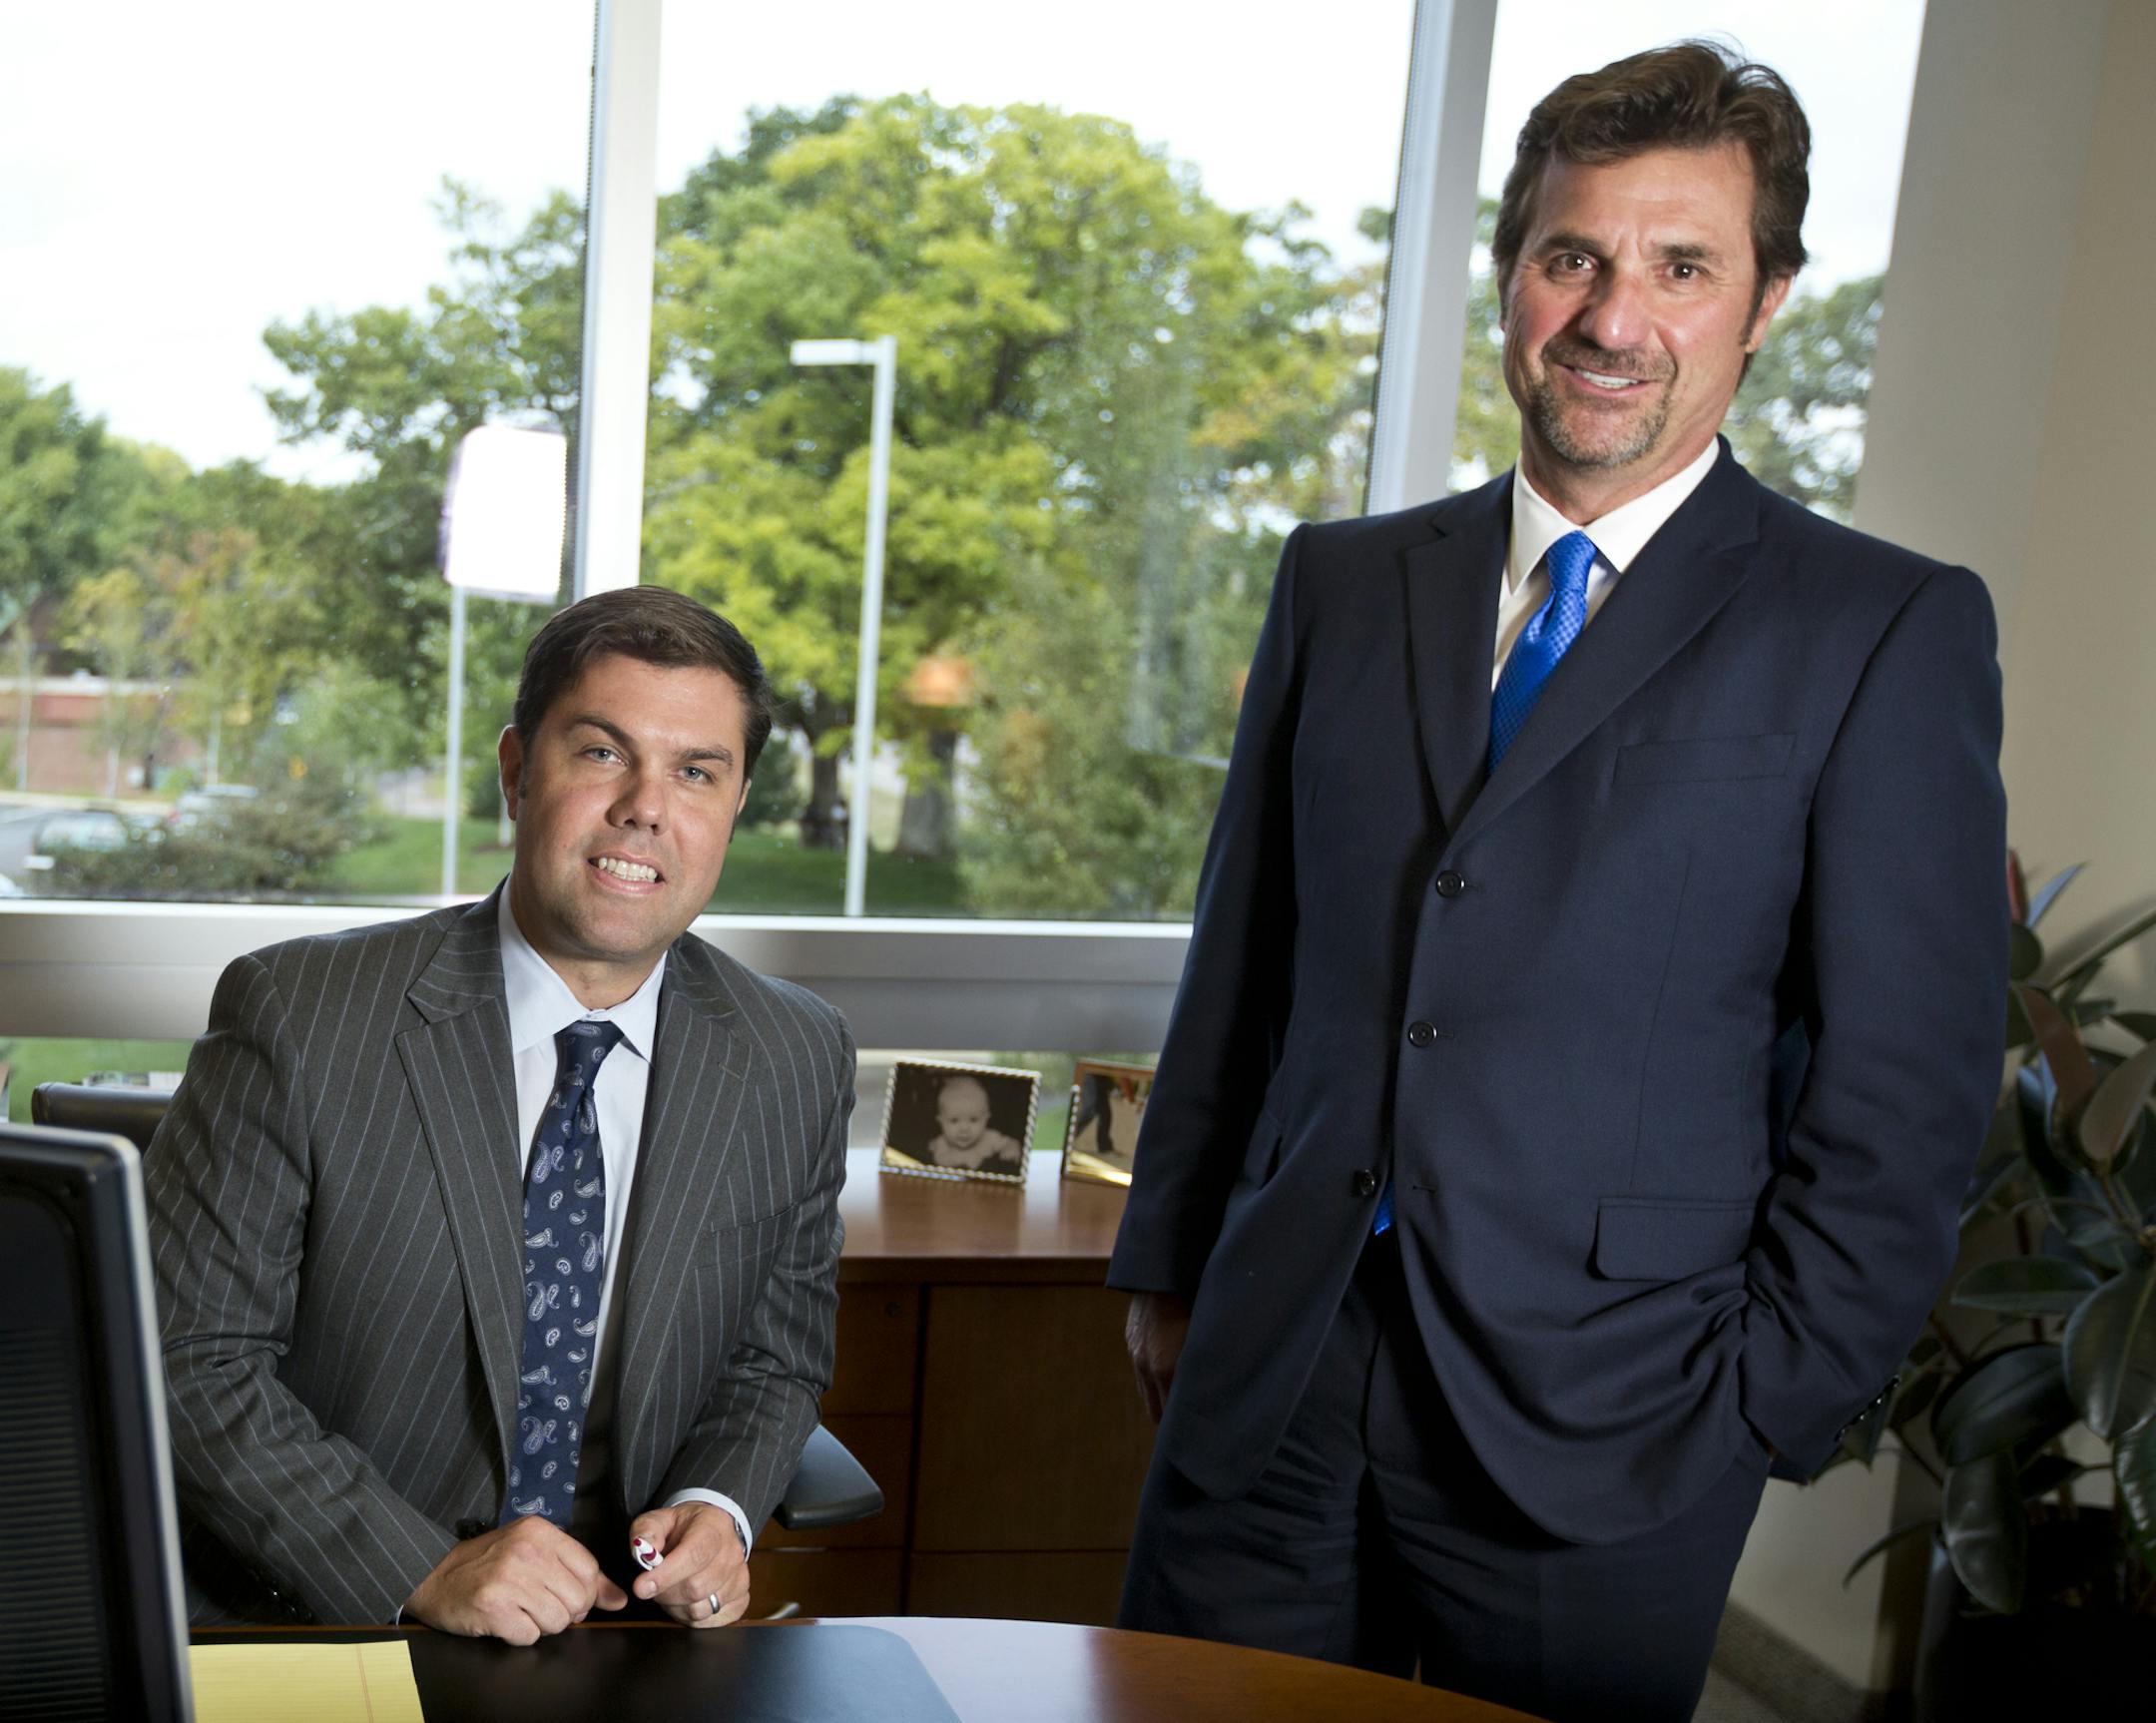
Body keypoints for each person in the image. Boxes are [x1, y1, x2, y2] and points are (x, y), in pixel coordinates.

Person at [1107, 41, 2006, 1723]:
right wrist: (1169, 1261)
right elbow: (1246, 952)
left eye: (1683, 268)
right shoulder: (1343, 583)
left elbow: (1906, 1082)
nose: (1613, 317)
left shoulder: (1877, 627)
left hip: (1622, 1414)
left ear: (1766, 302)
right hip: (1275, 1368)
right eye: (1573, 256)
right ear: (1511, 274)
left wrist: (1764, 1399)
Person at [146, 586, 855, 1642]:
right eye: (603, 753)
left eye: (696, 772)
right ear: (518, 772)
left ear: (736, 803)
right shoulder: (300, 1016)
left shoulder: (793, 1054)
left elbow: (775, 1359)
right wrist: (420, 1568)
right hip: (336, 1614)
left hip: (620, 1631)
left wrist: (722, 1505)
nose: (646, 809)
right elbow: (187, 1361)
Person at [923, 1073, 1023, 1175]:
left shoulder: (990, 1138)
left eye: (973, 1120)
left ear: (986, 1118)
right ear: (940, 1121)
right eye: (954, 1120)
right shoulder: (941, 1142)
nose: (964, 1128)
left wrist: (1011, 1148)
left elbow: (1010, 1142)